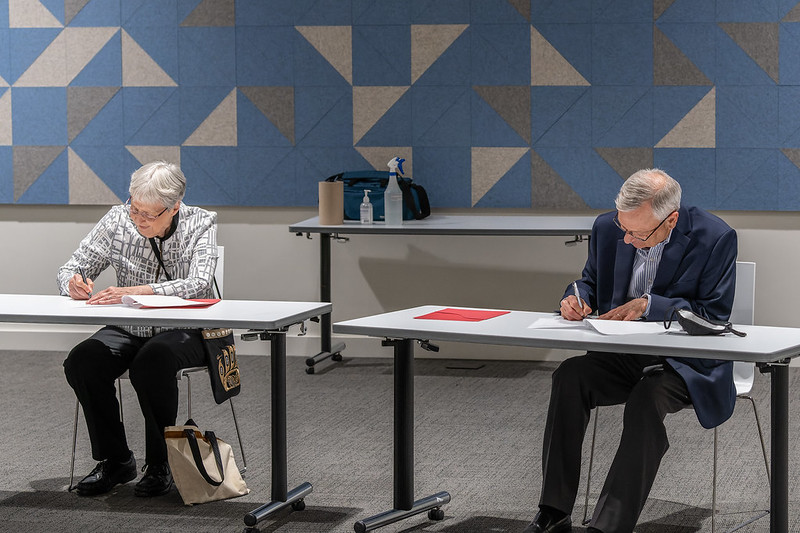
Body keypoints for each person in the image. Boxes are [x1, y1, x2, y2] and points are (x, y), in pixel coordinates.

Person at [523, 169, 738, 533]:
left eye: (638, 234)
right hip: (621, 355)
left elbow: (713, 316)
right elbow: (588, 280)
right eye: (624, 228)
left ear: (670, 220)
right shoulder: (610, 228)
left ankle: (608, 526)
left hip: (683, 364)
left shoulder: (715, 237)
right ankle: (554, 511)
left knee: (646, 398)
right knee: (570, 377)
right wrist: (573, 298)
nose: (626, 239)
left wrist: (649, 305)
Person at [58, 161, 218, 497]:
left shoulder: (201, 222)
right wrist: (72, 282)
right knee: (83, 361)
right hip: (130, 325)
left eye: (149, 214)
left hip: (184, 328)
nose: (139, 219)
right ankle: (116, 461)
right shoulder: (118, 219)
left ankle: (160, 464)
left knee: (152, 361)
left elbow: (200, 283)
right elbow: (73, 265)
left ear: (174, 207)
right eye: (135, 209)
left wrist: (138, 291)